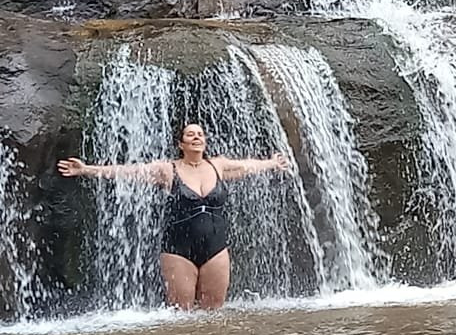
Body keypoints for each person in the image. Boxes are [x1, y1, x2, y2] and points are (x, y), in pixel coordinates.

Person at [57, 123, 289, 311]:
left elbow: (248, 166)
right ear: (181, 143)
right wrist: (86, 169)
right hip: (178, 250)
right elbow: (129, 172)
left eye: (200, 134)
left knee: (215, 313)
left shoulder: (218, 165)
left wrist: (272, 163)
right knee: (181, 314)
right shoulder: (168, 170)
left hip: (216, 249)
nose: (196, 137)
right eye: (190, 134)